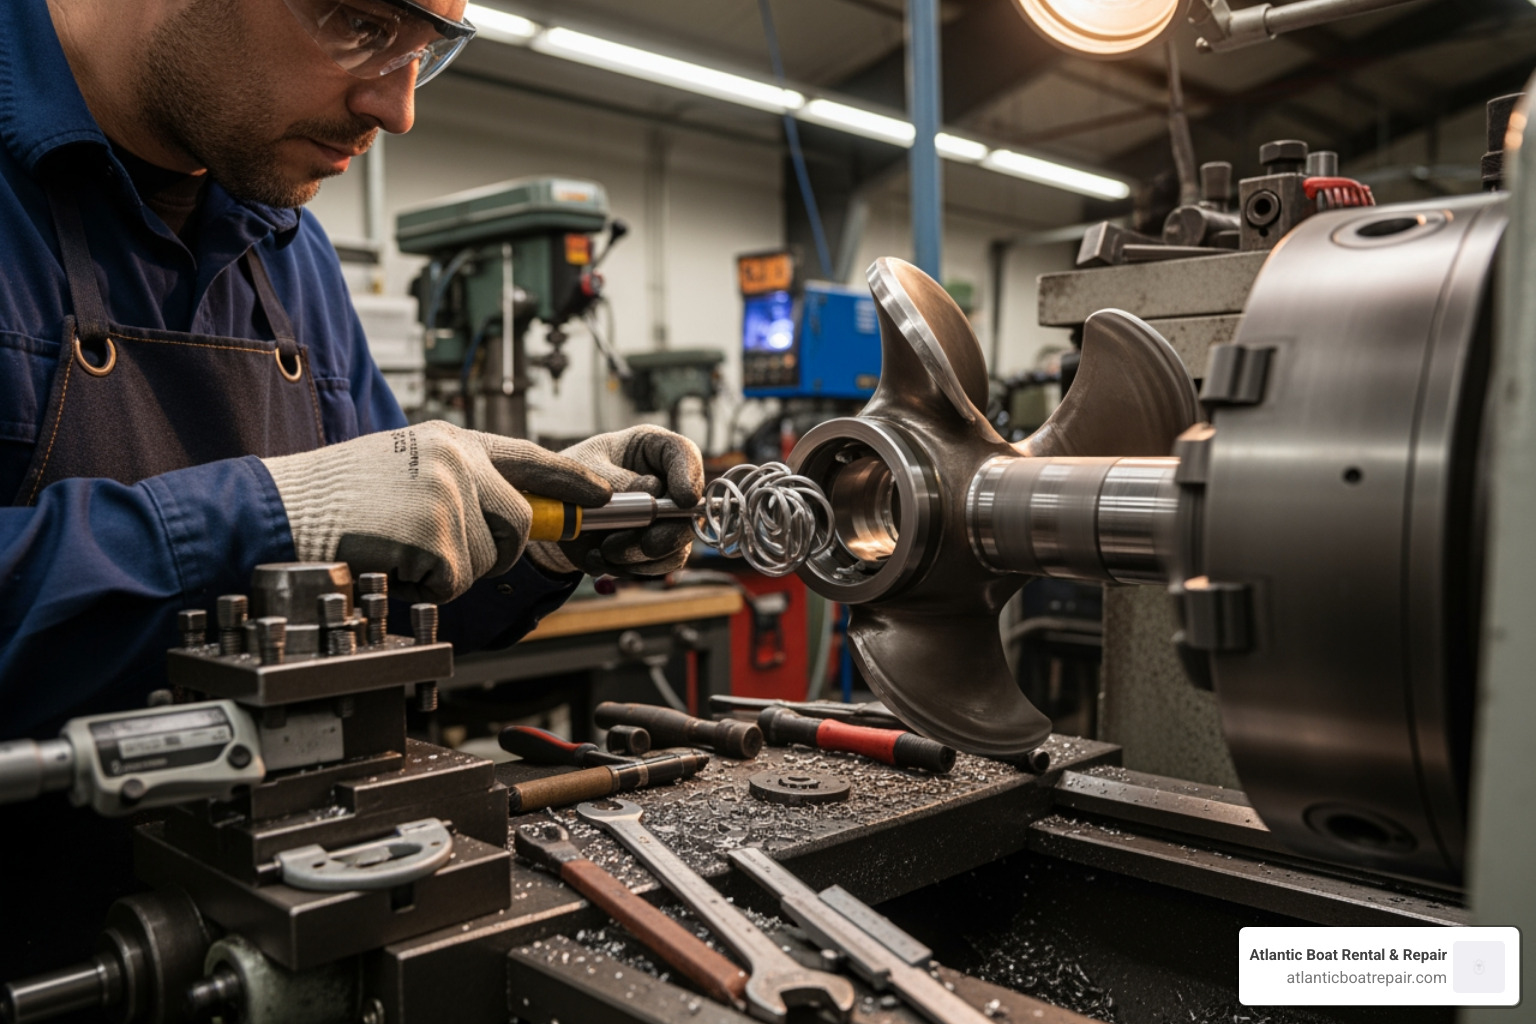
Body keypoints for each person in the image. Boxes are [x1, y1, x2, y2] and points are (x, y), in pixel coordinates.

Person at [0, 0, 705, 742]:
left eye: (427, 51)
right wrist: (269, 521)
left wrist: (538, 535)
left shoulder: (290, 253)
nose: (397, 110)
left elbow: (385, 600)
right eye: (360, 24)